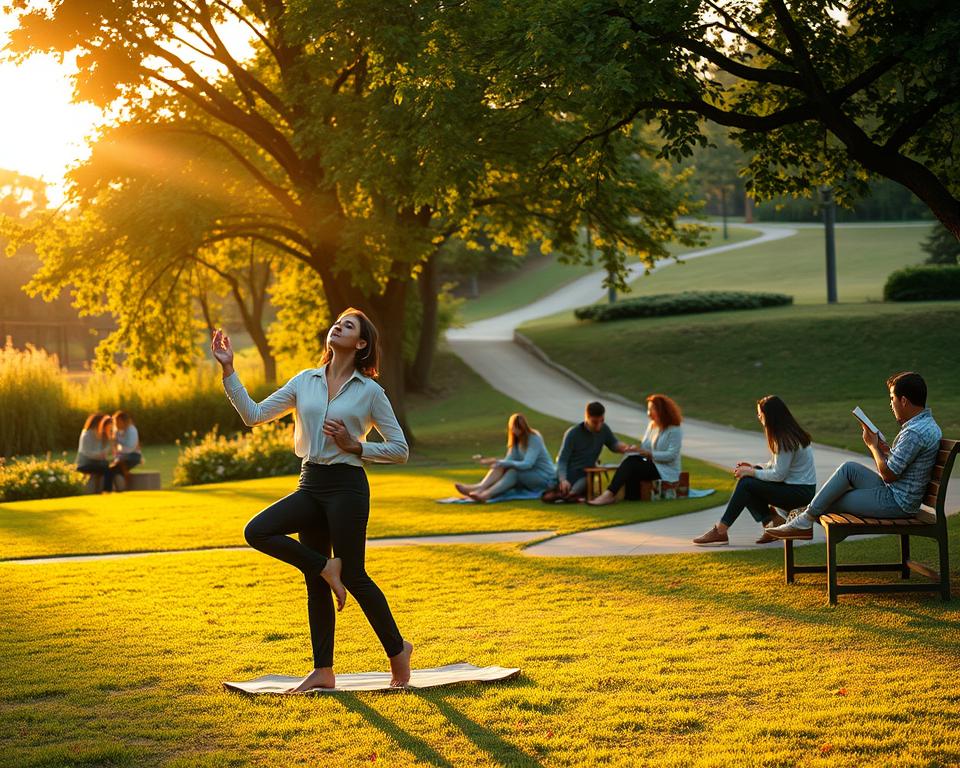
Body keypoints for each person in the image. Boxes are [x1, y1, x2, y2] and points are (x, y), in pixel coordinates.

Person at [212, 309, 413, 692]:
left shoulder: (370, 391)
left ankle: (397, 649)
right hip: (311, 483)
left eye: (348, 326)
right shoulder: (305, 381)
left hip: (348, 487)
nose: (338, 326)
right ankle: (323, 668)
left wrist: (355, 445)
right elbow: (253, 416)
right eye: (337, 322)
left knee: (354, 574)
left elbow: (400, 449)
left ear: (362, 344)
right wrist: (228, 371)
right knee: (260, 532)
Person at [768, 372, 942, 540]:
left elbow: (888, 475)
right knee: (849, 468)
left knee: (834, 499)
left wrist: (873, 446)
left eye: (892, 398)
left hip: (897, 502)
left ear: (903, 401)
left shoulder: (914, 433)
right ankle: (803, 517)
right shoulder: (925, 425)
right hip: (897, 493)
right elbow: (901, 466)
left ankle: (802, 518)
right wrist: (886, 450)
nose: (891, 404)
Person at [693, 395, 816, 546]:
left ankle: (721, 530)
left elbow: (778, 475)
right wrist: (754, 468)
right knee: (748, 481)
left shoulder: (785, 440)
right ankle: (771, 522)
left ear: (770, 416)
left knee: (746, 483)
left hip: (798, 493)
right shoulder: (788, 434)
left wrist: (751, 473)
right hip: (800, 489)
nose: (758, 417)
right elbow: (776, 465)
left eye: (760, 413)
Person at [588, 394, 683, 506]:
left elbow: (671, 455)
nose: (648, 414)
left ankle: (609, 495)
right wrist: (635, 449)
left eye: (651, 410)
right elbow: (645, 448)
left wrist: (649, 453)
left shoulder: (675, 430)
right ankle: (629, 496)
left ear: (661, 411)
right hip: (651, 464)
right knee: (631, 464)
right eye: (648, 410)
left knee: (631, 463)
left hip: (666, 470)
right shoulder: (652, 426)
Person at [542, 401, 636, 502]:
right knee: (551, 492)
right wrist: (563, 480)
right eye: (595, 422)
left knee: (587, 479)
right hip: (569, 475)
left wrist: (624, 448)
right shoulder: (573, 433)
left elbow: (613, 444)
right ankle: (567, 495)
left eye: (602, 421)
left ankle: (569, 496)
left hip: (586, 476)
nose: (599, 425)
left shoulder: (604, 429)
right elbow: (562, 460)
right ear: (587, 418)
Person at [454, 413, 556, 502]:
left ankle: (486, 494)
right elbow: (509, 460)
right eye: (514, 428)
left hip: (544, 477)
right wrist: (495, 462)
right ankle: (479, 488)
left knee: (513, 472)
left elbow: (528, 464)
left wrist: (504, 463)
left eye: (518, 427)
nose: (516, 430)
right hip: (528, 475)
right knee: (499, 465)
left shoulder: (534, 438)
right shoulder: (516, 440)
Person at [76, 413, 117, 492]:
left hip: (96, 462)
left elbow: (105, 452)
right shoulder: (87, 435)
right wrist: (100, 455)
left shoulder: (99, 435)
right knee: (107, 469)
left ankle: (108, 490)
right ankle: (107, 491)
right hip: (85, 464)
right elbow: (87, 453)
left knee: (109, 466)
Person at [111, 410, 142, 490]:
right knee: (114, 469)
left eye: (117, 422)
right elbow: (116, 448)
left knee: (115, 469)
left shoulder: (131, 430)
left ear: (123, 421)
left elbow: (130, 447)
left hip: (133, 456)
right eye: (115, 422)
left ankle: (121, 488)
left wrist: (117, 441)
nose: (116, 425)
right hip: (123, 456)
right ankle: (121, 488)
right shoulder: (118, 431)